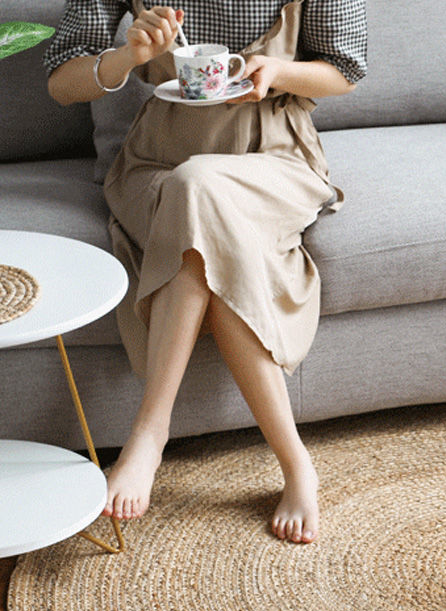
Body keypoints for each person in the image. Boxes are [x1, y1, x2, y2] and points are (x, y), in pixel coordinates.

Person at [44, 0, 367, 544]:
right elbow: (62, 82)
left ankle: (150, 433)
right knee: (195, 193)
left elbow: (346, 72)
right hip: (157, 164)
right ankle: (295, 462)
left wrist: (277, 72)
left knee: (197, 190)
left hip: (275, 159)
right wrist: (128, 56)